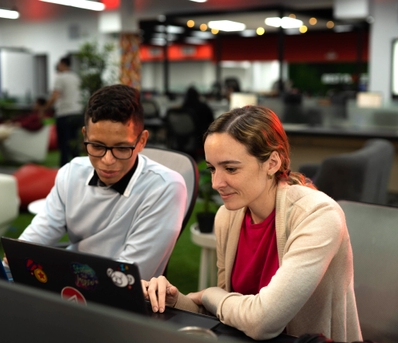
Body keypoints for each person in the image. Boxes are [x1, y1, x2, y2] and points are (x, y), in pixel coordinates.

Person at [143, 105, 362, 342]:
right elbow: (228, 311)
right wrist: (176, 301)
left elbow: (261, 321)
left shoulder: (318, 215)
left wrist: (210, 295)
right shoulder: (227, 217)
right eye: (212, 169)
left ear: (272, 163)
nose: (216, 183)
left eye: (230, 168)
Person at [13, 84, 187, 280]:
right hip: (73, 281)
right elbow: (38, 235)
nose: (107, 160)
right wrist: (10, 264)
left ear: (142, 141)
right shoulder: (71, 173)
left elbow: (127, 277)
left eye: (121, 148)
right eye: (96, 146)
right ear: (85, 135)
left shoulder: (165, 187)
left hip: (119, 299)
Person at [45, 54, 83, 166]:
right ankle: (78, 167)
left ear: (62, 64)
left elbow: (55, 96)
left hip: (64, 114)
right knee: (74, 142)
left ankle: (63, 168)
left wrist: (45, 108)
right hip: (77, 113)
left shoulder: (60, 78)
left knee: (64, 144)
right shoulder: (76, 77)